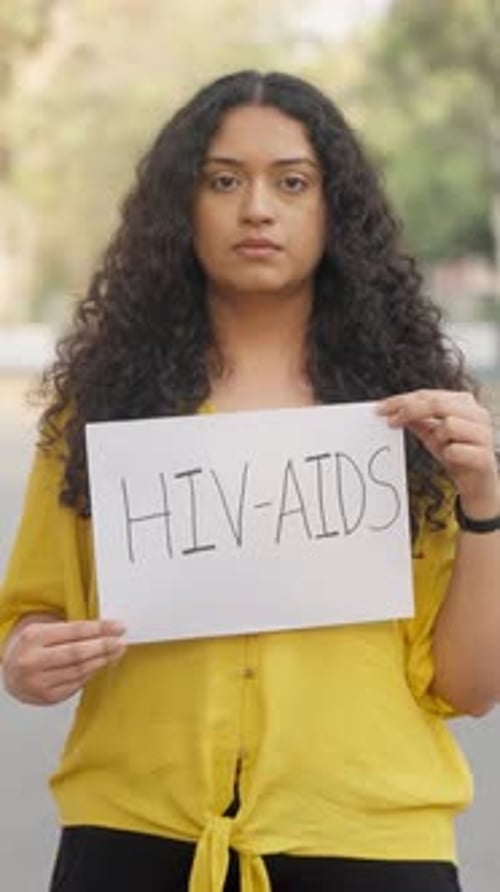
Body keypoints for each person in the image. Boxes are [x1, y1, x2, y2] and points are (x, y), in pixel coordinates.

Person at [0, 69, 499, 892]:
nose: (257, 207)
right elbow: (33, 621)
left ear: (335, 209)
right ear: (179, 209)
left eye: (292, 182)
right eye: (223, 180)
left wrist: (482, 501)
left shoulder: (410, 417)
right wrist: (27, 661)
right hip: (131, 839)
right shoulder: (102, 409)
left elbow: (471, 688)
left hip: (370, 847)